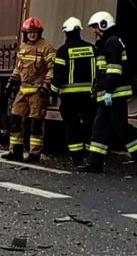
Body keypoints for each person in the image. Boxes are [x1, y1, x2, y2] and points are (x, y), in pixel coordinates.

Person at [79, 11, 137, 174]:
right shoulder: (107, 43)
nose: (95, 31)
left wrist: (107, 90)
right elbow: (102, 71)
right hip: (109, 95)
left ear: (104, 25)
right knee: (100, 128)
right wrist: (97, 88)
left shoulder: (112, 42)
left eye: (96, 27)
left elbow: (114, 69)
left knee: (121, 128)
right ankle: (95, 162)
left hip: (115, 94)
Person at [3, 17, 55, 163]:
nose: (32, 34)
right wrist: (11, 82)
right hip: (23, 89)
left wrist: (46, 85)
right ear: (25, 33)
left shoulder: (47, 48)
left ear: (39, 32)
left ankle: (34, 153)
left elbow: (52, 69)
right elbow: (19, 67)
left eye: (35, 32)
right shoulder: (23, 47)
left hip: (37, 92)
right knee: (15, 118)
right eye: (29, 32)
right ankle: (15, 150)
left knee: (36, 123)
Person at [52, 17, 98, 168]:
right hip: (90, 96)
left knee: (72, 127)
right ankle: (92, 157)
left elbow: (59, 75)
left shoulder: (63, 51)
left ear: (66, 32)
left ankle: (76, 158)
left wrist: (52, 92)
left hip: (69, 98)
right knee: (91, 125)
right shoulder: (92, 49)